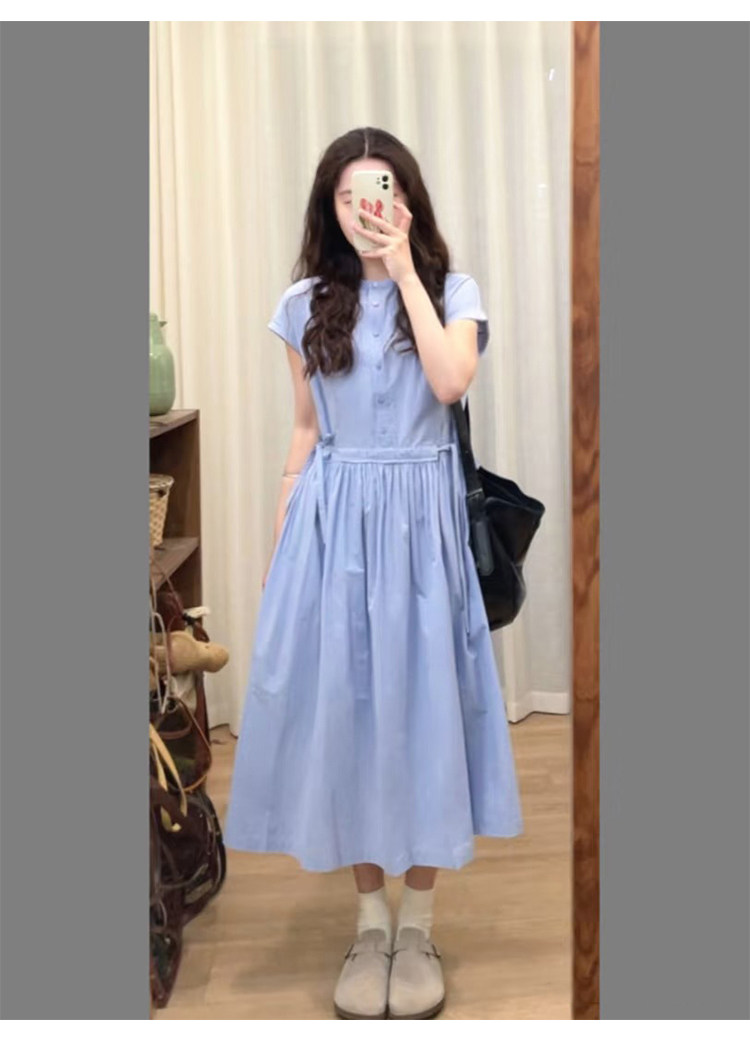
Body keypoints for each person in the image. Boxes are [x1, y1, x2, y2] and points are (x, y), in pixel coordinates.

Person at [223, 127, 523, 1019]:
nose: (367, 209)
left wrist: (406, 276)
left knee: (428, 714)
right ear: (330, 208)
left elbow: (450, 382)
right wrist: (282, 542)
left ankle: (418, 926)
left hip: (424, 532)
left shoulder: (453, 292)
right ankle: (368, 925)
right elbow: (305, 430)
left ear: (408, 201)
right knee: (348, 714)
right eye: (350, 196)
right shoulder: (304, 305)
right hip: (334, 525)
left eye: (382, 191)